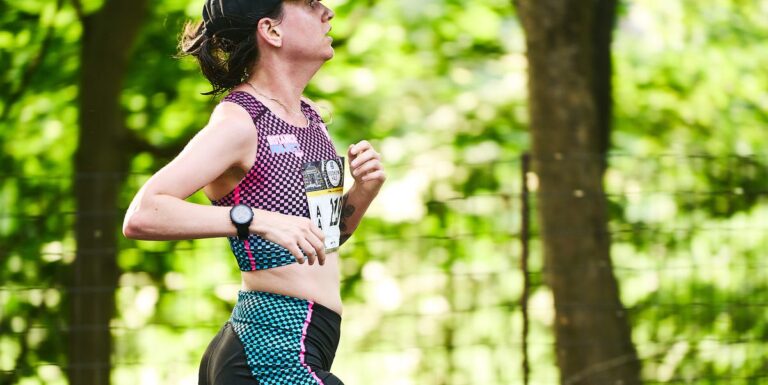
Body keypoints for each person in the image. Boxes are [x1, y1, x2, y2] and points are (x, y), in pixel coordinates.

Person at [122, 0, 386, 384]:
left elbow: (326, 239)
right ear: (271, 31)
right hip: (272, 349)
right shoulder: (241, 122)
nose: (327, 11)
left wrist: (364, 190)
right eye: (311, 5)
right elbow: (143, 214)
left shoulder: (310, 118)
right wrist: (257, 220)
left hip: (299, 342)